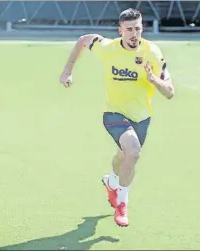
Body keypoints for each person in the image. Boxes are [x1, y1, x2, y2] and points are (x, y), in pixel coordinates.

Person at [59, 8, 174, 227]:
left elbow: (170, 92)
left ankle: (111, 181)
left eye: (138, 28)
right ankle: (122, 203)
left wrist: (154, 80)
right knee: (133, 152)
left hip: (141, 117)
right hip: (113, 113)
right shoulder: (107, 48)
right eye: (129, 29)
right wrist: (68, 71)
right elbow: (84, 40)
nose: (134, 34)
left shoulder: (153, 53)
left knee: (124, 156)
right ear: (120, 30)